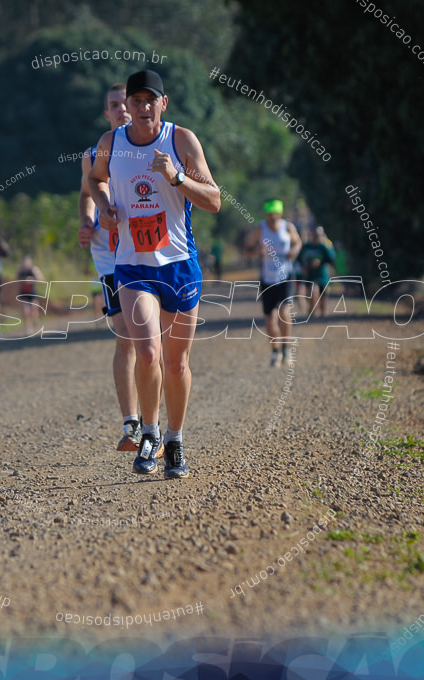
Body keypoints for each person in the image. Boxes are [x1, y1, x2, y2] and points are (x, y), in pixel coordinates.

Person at [89, 70, 220, 478]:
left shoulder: (181, 141)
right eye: (136, 100)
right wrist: (105, 206)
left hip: (179, 265)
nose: (143, 107)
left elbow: (214, 199)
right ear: (125, 107)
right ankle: (150, 433)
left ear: (164, 104)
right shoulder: (111, 143)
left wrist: (177, 177)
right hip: (133, 267)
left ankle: (176, 440)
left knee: (176, 363)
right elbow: (94, 180)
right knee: (147, 352)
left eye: (151, 100)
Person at [78, 82, 146, 452]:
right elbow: (86, 197)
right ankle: (131, 424)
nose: (121, 109)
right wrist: (88, 223)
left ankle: (154, 421)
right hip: (110, 257)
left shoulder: (150, 147)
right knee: (127, 336)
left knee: (151, 339)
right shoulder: (94, 153)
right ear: (106, 113)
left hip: (147, 252)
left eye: (126, 103)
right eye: (114, 105)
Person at [246, 200, 301, 368]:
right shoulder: (259, 229)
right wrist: (256, 251)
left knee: (285, 313)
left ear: (280, 213)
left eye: (275, 213)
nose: (272, 217)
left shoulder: (288, 227)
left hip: (286, 275)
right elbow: (246, 251)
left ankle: (286, 349)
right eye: (269, 214)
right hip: (267, 278)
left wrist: (294, 251)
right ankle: (275, 351)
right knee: (270, 321)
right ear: (265, 214)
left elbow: (298, 242)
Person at [298, 225, 337, 317]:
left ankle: (321, 317)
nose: (316, 237)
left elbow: (331, 258)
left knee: (323, 301)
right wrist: (304, 266)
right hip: (310, 275)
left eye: (319, 235)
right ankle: (312, 312)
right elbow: (299, 258)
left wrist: (320, 262)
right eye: (315, 234)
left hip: (322, 276)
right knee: (312, 291)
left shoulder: (324, 247)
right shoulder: (307, 246)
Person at [16, 255, 44, 335]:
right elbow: (16, 281)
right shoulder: (20, 271)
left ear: (30, 262)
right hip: (23, 293)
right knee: (26, 311)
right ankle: (28, 327)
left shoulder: (34, 270)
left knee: (34, 310)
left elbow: (41, 280)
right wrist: (23, 281)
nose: (26, 263)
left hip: (32, 292)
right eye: (24, 262)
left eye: (27, 261)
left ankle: (35, 320)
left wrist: (32, 280)